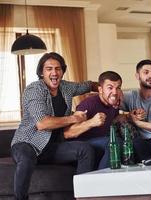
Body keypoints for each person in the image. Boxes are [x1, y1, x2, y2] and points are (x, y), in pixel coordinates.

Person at [11, 52, 97, 200]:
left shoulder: (66, 87)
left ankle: (83, 196)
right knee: (27, 158)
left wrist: (107, 87)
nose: (54, 73)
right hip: (27, 143)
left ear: (62, 71)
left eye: (58, 68)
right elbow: (43, 123)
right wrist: (73, 118)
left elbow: (87, 85)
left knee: (85, 149)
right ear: (41, 73)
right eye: (49, 69)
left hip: (51, 148)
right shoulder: (34, 90)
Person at [64, 71, 123, 169]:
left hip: (98, 142)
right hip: (80, 144)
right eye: (110, 88)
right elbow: (68, 133)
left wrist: (129, 116)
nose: (115, 92)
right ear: (100, 89)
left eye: (118, 88)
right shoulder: (88, 104)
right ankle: (100, 180)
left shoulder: (114, 104)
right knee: (114, 142)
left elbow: (114, 118)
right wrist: (91, 122)